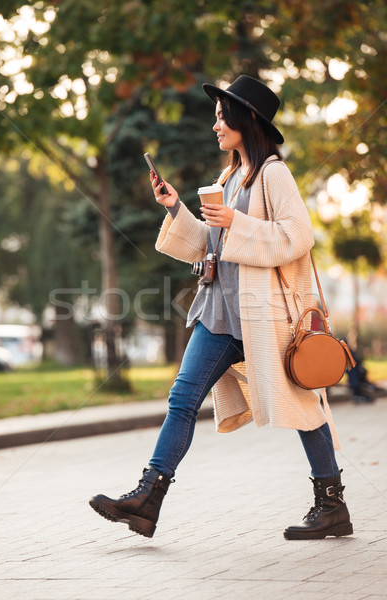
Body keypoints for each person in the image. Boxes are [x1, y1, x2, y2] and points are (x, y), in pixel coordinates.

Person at [89, 75, 353, 541]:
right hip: (218, 314)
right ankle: (148, 498)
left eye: (220, 116)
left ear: (246, 118)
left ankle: (331, 506)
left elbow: (298, 238)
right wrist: (176, 210)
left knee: (302, 402)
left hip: (263, 316)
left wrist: (238, 222)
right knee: (182, 399)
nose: (214, 125)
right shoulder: (229, 178)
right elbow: (211, 247)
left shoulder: (273, 173)